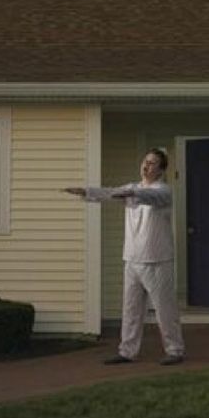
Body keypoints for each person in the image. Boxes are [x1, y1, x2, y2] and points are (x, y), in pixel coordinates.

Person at [64, 148, 185, 365]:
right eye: (145, 161)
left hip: (157, 260)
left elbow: (148, 196)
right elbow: (110, 192)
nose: (146, 166)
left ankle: (174, 350)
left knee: (165, 309)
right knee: (131, 310)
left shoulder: (163, 191)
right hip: (131, 258)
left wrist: (131, 193)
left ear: (161, 170)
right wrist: (86, 191)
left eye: (152, 163)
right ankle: (127, 351)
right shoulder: (132, 188)